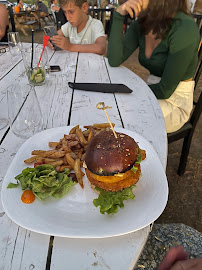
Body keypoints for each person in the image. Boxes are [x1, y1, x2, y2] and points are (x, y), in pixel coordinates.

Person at [107, 0, 200, 133]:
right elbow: (114, 60)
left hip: (174, 102)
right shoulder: (143, 23)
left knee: (121, 113)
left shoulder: (184, 27)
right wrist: (118, 15)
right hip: (150, 89)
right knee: (112, 107)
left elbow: (165, 91)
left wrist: (130, 92)